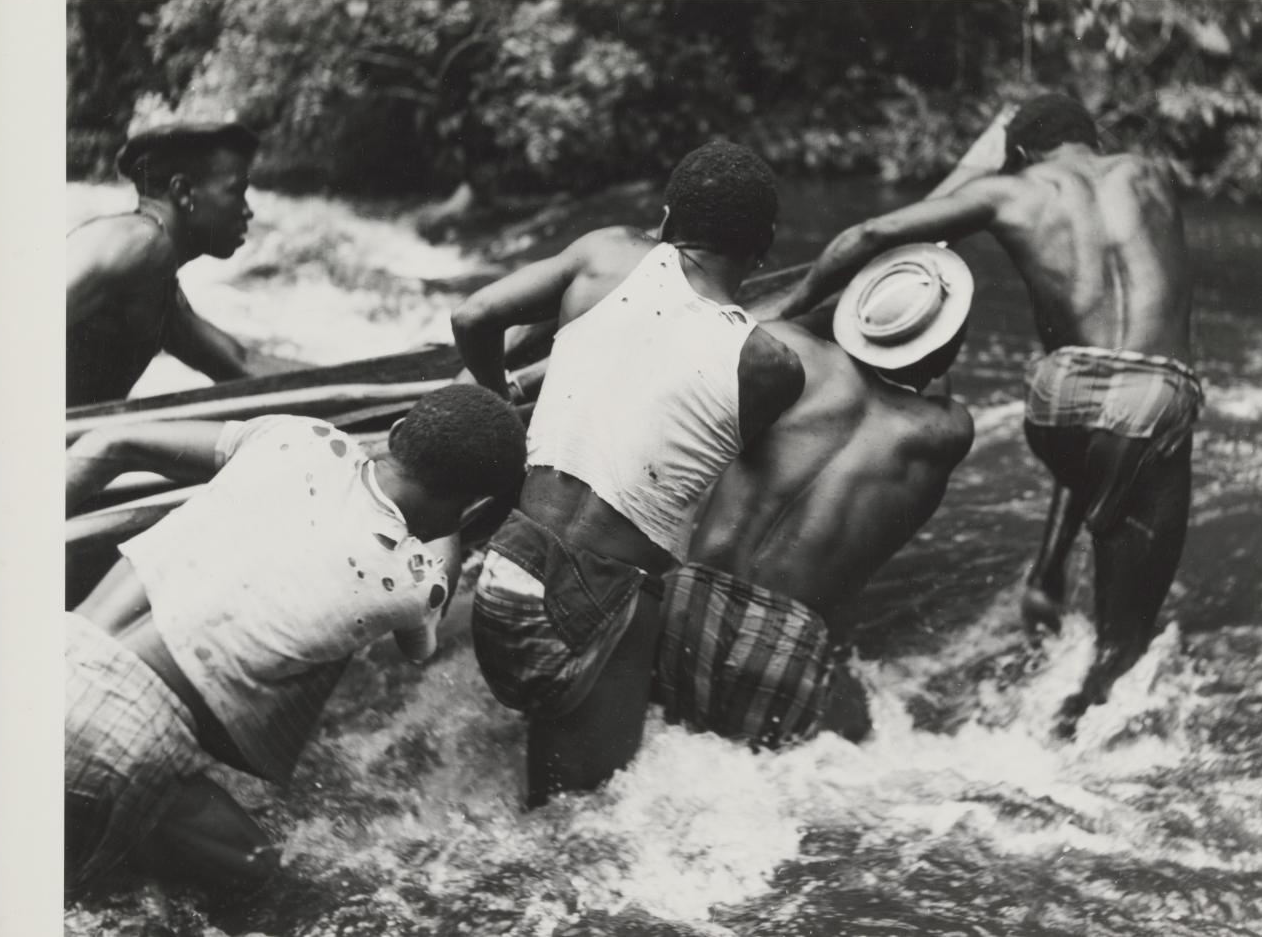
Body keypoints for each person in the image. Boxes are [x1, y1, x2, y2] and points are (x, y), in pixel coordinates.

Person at [769, 94, 1202, 737]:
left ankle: (1048, 576)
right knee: (1123, 643)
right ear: (1094, 140)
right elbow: (1128, 371)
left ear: (1023, 154)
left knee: (1097, 442)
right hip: (1153, 402)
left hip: (1059, 399)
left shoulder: (1010, 191)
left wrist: (793, 305)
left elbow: (869, 235)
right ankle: (1073, 737)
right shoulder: (1151, 174)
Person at [451, 139, 805, 805]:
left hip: (507, 576)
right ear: (766, 248)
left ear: (667, 221)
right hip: (598, 605)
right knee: (578, 827)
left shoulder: (604, 254)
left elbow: (473, 315)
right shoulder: (769, 365)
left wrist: (501, 400)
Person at [63, 384, 526, 892]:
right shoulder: (413, 581)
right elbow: (422, 647)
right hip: (120, 735)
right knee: (258, 887)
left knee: (247, 864)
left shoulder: (295, 436)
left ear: (396, 434)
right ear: (469, 502)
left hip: (49, 653)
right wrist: (452, 530)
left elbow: (109, 442)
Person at [656, 243, 976, 748]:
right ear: (944, 344)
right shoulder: (943, 431)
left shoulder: (784, 348)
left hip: (684, 600)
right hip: (787, 642)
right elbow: (940, 380)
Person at [68, 122, 261, 407]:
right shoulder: (140, 244)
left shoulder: (154, 283)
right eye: (236, 191)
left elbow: (240, 365)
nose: (248, 211)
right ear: (183, 192)